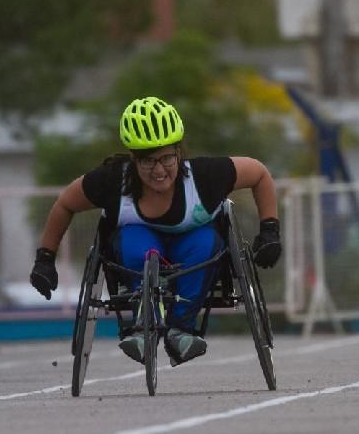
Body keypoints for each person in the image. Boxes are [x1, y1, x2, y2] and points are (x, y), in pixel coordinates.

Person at [30, 96, 281, 365]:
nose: (159, 170)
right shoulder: (112, 182)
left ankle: (180, 330)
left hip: (193, 249)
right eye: (148, 161)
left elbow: (259, 174)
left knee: (205, 239)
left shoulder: (206, 176)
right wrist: (45, 258)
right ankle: (144, 322)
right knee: (135, 240)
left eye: (167, 158)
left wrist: (269, 229)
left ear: (178, 152)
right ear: (134, 159)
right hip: (139, 248)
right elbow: (65, 204)